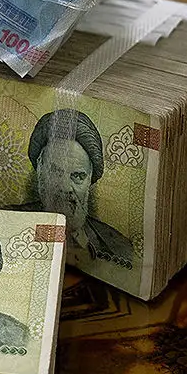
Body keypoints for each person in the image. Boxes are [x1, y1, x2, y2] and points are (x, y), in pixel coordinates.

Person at [29, 109, 133, 268]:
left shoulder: (120, 248)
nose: (65, 187)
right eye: (55, 172)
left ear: (90, 179)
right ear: (39, 169)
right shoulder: (8, 223)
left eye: (77, 176)